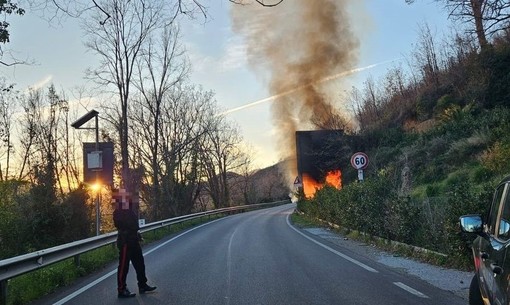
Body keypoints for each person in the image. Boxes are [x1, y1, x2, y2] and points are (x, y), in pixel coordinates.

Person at [113, 194, 156, 298]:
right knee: (124, 266)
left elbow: (134, 225)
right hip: (125, 242)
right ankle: (121, 289)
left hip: (133, 240)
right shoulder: (118, 212)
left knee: (140, 264)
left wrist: (137, 234)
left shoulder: (130, 211)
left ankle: (142, 285)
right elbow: (119, 225)